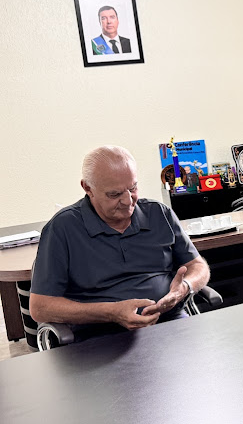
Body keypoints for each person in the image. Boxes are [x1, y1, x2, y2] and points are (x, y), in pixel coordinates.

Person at [29, 145, 210, 342]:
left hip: (170, 323)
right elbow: (40, 307)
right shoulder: (62, 228)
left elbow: (198, 266)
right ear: (87, 188)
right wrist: (111, 312)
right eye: (114, 194)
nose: (127, 201)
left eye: (133, 188)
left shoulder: (159, 214)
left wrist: (184, 287)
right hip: (98, 338)